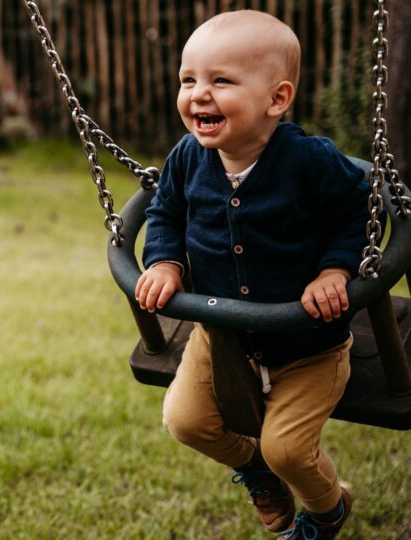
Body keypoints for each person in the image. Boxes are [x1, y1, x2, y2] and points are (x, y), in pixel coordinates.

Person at [135, 9, 372, 539]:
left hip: (309, 343)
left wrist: (335, 269)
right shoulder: (185, 158)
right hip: (222, 335)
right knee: (186, 421)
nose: (199, 93)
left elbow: (358, 211)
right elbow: (165, 212)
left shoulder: (310, 161)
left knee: (287, 447)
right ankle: (256, 471)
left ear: (277, 99)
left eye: (221, 80)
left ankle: (326, 509)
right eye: (188, 79)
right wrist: (166, 260)